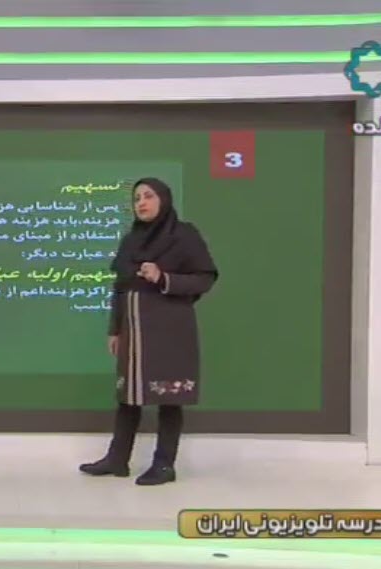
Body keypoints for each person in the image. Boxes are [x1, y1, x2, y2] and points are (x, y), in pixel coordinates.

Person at [79, 178, 218, 486]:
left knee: (169, 397)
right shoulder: (131, 241)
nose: (141, 203)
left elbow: (204, 278)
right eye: (137, 198)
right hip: (132, 329)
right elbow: (120, 287)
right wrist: (115, 329)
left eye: (148, 196)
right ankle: (117, 459)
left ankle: (164, 465)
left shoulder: (184, 235)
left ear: (163, 200)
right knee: (128, 396)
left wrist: (163, 277)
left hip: (169, 330)